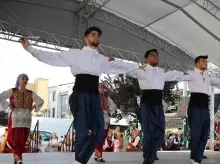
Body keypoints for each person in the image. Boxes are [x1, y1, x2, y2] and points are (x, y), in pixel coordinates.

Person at [20, 26, 143, 164]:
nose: (96, 37)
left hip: (95, 98)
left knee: (99, 132)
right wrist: (30, 48)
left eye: (98, 35)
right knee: (83, 134)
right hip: (80, 96)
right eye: (92, 34)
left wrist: (139, 67)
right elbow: (52, 57)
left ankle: (79, 161)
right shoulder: (76, 54)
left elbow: (121, 66)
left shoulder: (102, 59)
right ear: (86, 38)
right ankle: (80, 161)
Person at [177, 55, 220, 164]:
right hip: (195, 108)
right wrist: (162, 72)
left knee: (205, 133)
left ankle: (198, 157)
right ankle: (194, 156)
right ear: (197, 64)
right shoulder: (191, 74)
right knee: (196, 134)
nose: (206, 62)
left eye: (206, 61)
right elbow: (177, 75)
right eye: (203, 61)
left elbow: (218, 80)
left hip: (204, 109)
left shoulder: (207, 77)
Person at [126, 49, 186, 164]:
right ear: (147, 59)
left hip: (158, 105)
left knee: (159, 132)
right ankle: (149, 159)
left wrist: (185, 73)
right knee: (148, 133)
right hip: (147, 104)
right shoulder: (141, 70)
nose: (156, 57)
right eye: (153, 55)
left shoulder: (162, 72)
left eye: (157, 56)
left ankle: (150, 155)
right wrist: (136, 67)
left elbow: (175, 74)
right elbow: (126, 69)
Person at [0, 73, 44, 164]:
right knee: (15, 138)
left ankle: (18, 157)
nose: (24, 80)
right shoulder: (14, 91)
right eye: (22, 78)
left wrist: (32, 108)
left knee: (20, 138)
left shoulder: (30, 93)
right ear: (18, 80)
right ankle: (18, 157)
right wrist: (9, 106)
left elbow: (40, 101)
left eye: (26, 79)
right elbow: (1, 96)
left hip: (23, 118)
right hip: (18, 117)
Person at [94, 84, 117, 162]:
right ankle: (99, 155)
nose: (101, 89)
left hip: (105, 117)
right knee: (99, 136)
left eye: (102, 88)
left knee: (103, 136)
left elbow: (114, 106)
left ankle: (97, 154)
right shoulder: (93, 97)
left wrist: (109, 110)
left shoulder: (106, 97)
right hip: (97, 118)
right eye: (100, 88)